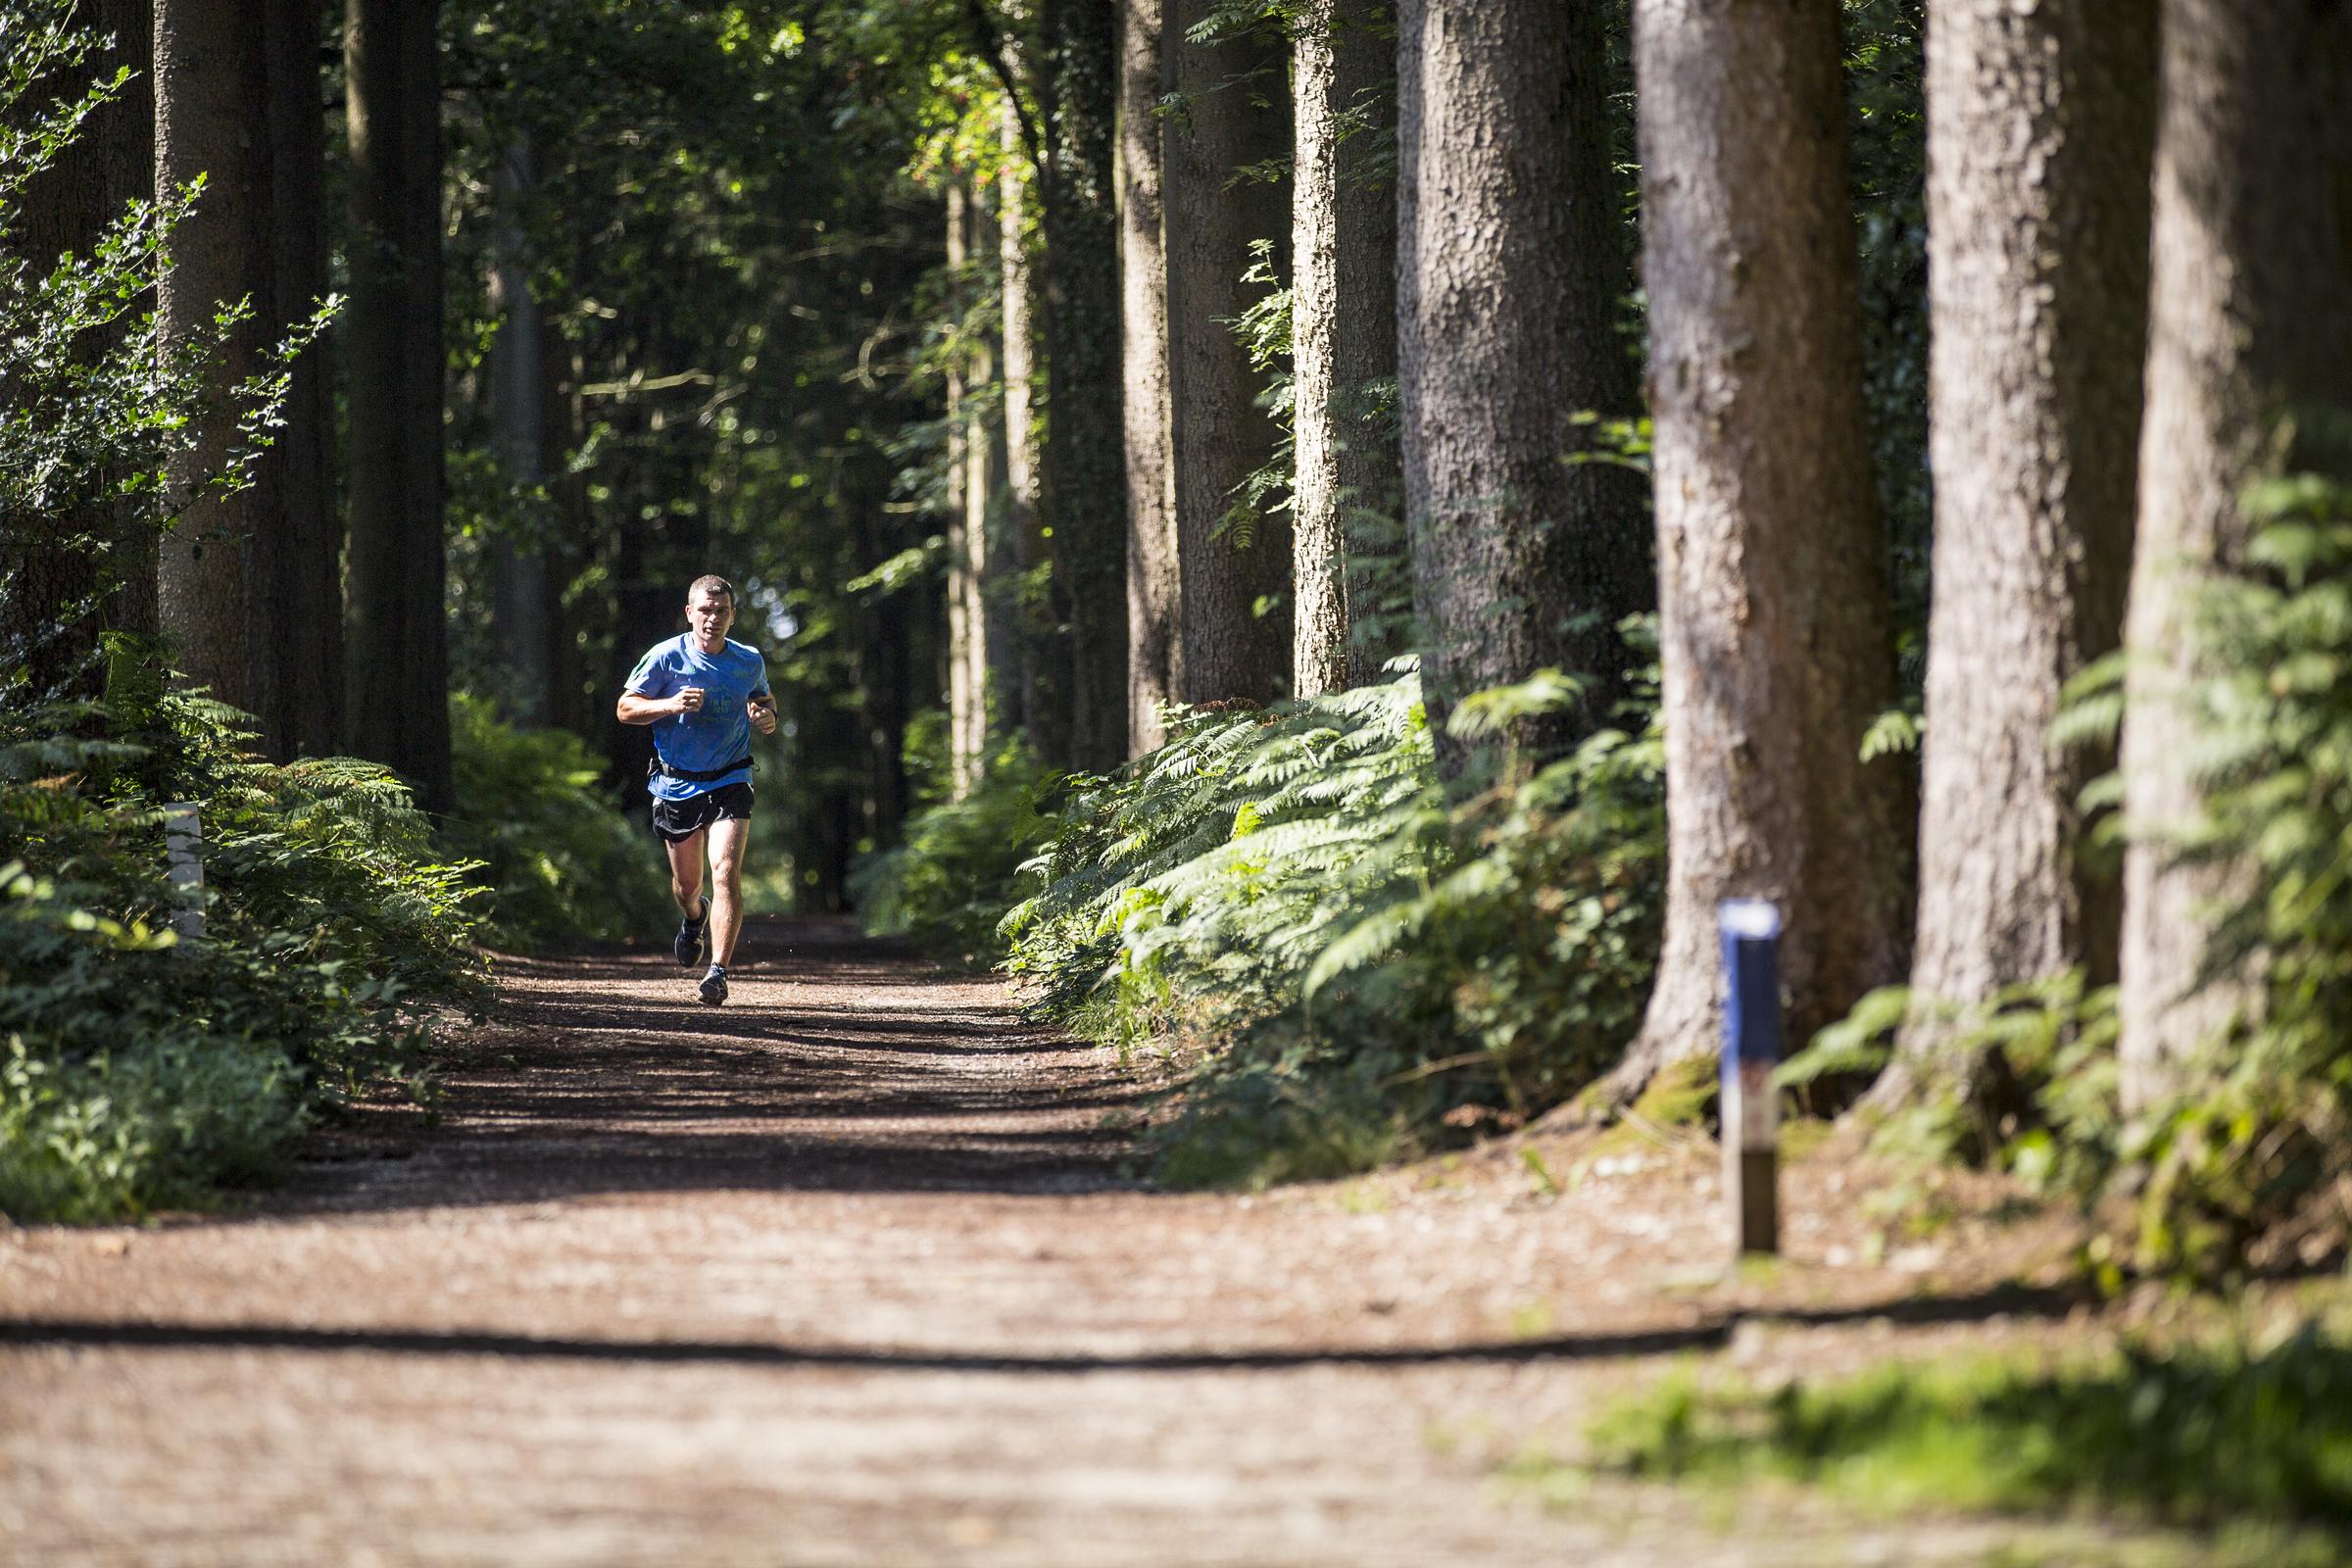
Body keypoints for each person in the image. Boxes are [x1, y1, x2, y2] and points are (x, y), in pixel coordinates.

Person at [616, 574, 777, 1004]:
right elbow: (625, 708)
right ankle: (694, 918)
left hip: (731, 777)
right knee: (687, 888)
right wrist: (669, 705)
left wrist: (766, 717)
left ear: (732, 615)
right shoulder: (664, 657)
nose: (713, 618)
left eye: (721, 611)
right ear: (690, 613)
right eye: (705, 610)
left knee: (725, 871)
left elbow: (764, 700)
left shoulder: (748, 660)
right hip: (676, 782)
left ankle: (718, 972)